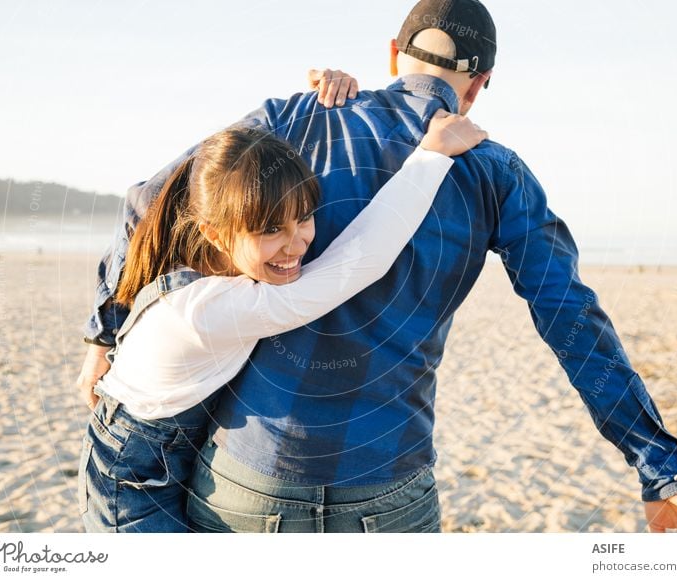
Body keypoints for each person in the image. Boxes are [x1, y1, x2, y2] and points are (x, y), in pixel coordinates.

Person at [78, 0, 677, 533]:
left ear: (392, 54)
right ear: (482, 82)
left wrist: (106, 332)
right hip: (388, 490)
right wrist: (658, 468)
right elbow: (571, 318)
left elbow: (148, 201)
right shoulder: (496, 170)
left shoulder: (292, 118)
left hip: (244, 479)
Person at [78, 111, 488, 532]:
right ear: (215, 233)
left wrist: (322, 98)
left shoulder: (206, 264)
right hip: (130, 480)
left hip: (153, 452)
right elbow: (363, 260)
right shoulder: (210, 308)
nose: (296, 244)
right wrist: (432, 154)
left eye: (305, 217)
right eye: (271, 228)